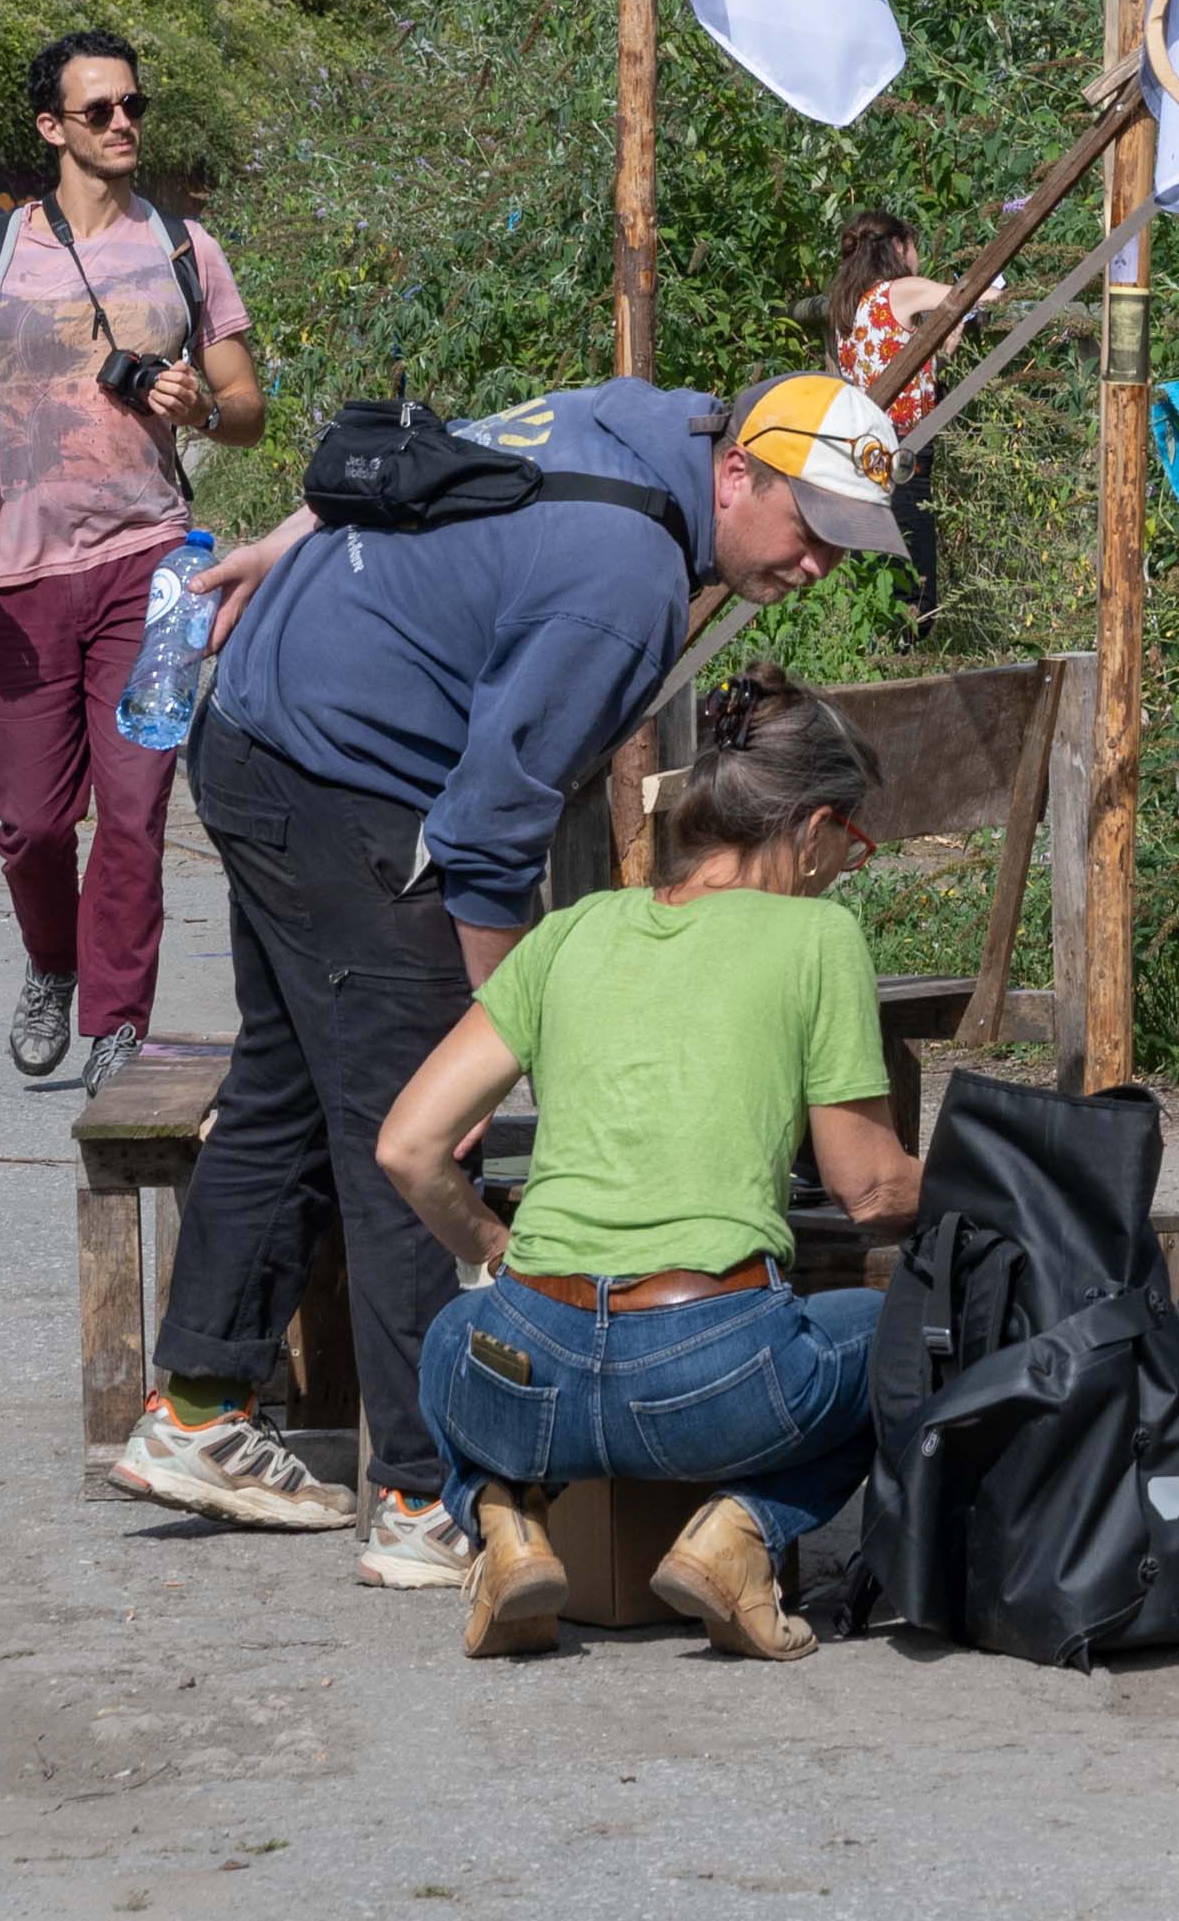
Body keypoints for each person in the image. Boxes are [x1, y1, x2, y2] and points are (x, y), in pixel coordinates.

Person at [96, 368, 917, 1593]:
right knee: (418, 1117)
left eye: (846, 547)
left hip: (260, 724)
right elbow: (486, 831)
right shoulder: (626, 586)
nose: (817, 570)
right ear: (738, 473)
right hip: (344, 770)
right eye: (811, 533)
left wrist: (291, 539)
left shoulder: (652, 416)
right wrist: (513, 1028)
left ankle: (199, 1405)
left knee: (282, 1079)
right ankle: (431, 1495)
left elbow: (431, 447)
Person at [374, 667, 918, 1660]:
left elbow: (407, 1145)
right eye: (850, 844)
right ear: (811, 827)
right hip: (710, 1383)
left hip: (522, 1374)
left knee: (454, 1339)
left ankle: (502, 1520)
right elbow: (869, 1186)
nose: (845, 868)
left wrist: (496, 1247)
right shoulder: (816, 932)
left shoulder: (569, 930)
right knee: (901, 1333)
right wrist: (980, 1180)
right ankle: (742, 1530)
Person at [0, 30, 268, 1100]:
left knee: (137, 806)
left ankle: (118, 1022)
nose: (124, 124)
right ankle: (51, 961)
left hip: (153, 570)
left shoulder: (187, 250)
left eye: (133, 107)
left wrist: (207, 406)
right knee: (29, 824)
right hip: (19, 575)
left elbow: (247, 409)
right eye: (100, 109)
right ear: (50, 127)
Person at [819, 211, 951, 625]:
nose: (916, 257)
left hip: (865, 453)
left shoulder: (846, 303)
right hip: (907, 452)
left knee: (878, 575)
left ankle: (882, 658)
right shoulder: (900, 290)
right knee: (917, 589)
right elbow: (972, 295)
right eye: (913, 246)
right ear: (897, 247)